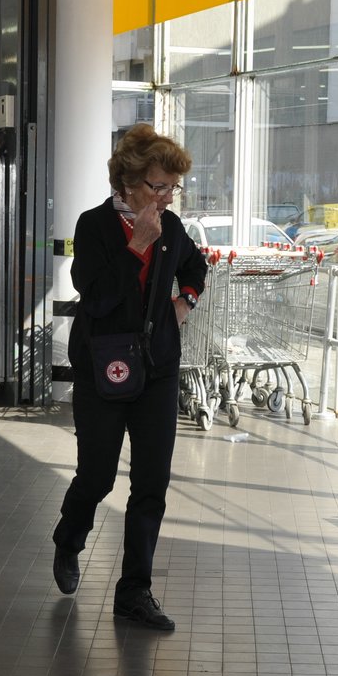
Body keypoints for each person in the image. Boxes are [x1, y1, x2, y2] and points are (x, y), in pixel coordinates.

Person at [51, 124, 208, 631]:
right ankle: (69, 538)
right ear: (127, 182)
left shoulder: (174, 228)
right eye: (156, 186)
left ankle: (134, 591)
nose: (165, 197)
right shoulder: (94, 225)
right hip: (103, 364)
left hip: (157, 368)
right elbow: (93, 295)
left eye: (170, 188)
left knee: (152, 483)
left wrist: (184, 302)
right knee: (96, 475)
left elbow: (197, 268)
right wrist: (138, 244)